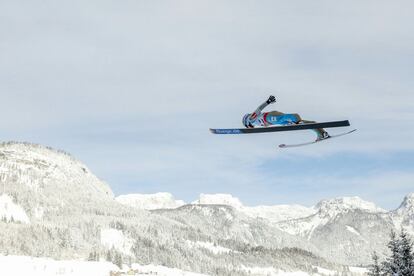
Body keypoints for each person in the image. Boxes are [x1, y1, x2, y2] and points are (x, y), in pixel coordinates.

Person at [242, 95, 330, 140]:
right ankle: (322, 134)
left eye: (248, 127)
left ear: (246, 122)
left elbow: (259, 109)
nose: (250, 128)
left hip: (269, 117)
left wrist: (268, 101)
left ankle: (295, 118)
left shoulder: (251, 119)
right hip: (274, 121)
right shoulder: (255, 123)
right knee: (298, 124)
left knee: (289, 118)